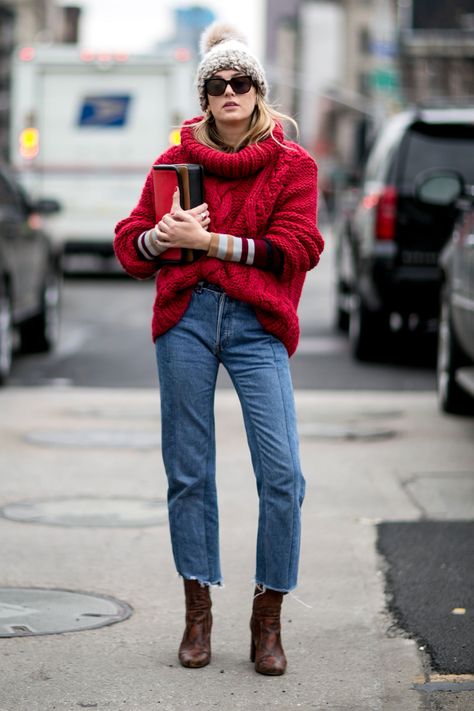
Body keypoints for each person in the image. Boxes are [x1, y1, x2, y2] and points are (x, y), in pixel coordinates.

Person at [114, 21, 324, 676]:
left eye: (240, 82)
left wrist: (211, 244)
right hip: (187, 314)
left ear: (259, 92)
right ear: (204, 96)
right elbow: (129, 244)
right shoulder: (175, 163)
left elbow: (298, 247)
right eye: (216, 83)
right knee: (189, 468)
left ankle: (268, 619)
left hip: (258, 322)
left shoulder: (294, 165)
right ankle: (197, 613)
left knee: (282, 473)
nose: (229, 91)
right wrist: (163, 237)